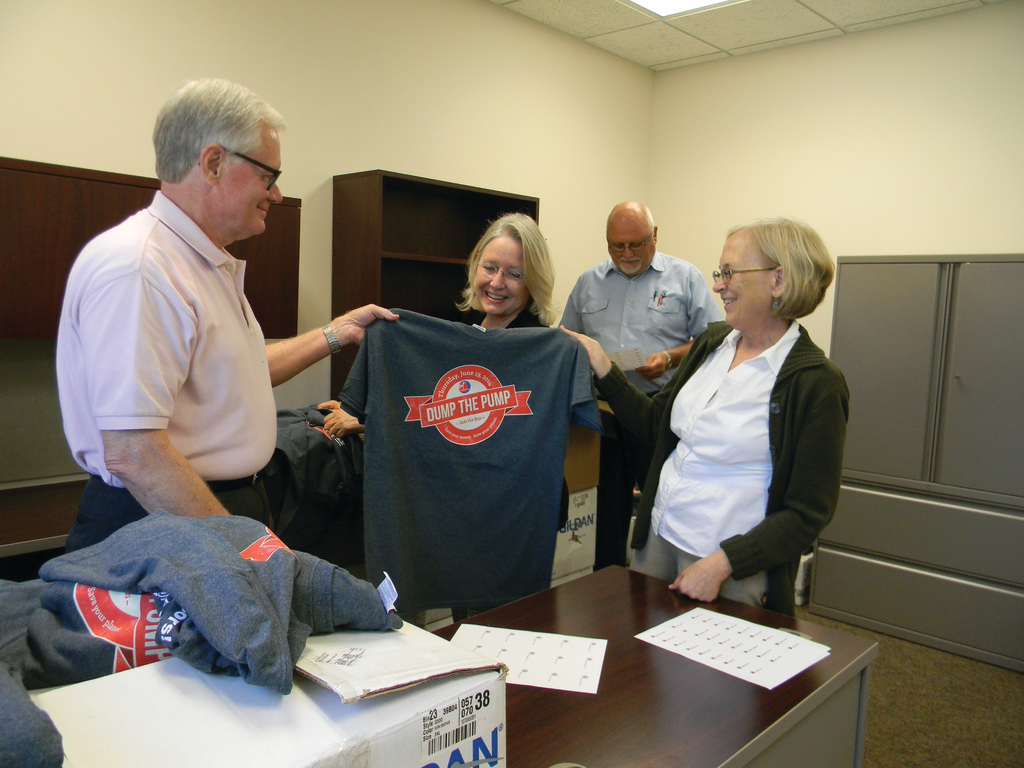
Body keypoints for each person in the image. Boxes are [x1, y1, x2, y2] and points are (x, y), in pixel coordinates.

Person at [56, 78, 396, 553]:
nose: (276, 195)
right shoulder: (141, 268)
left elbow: (240, 374)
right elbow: (136, 452)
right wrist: (247, 553)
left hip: (206, 509)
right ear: (214, 163)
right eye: (268, 176)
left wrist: (339, 332)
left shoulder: (202, 262)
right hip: (162, 519)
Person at [562, 218, 849, 616]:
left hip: (728, 563)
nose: (718, 285)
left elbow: (807, 513)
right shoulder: (713, 344)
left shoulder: (815, 382)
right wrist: (602, 366)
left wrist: (722, 564)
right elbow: (654, 423)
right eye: (720, 272)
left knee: (707, 677)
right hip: (661, 539)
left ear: (778, 280)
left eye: (729, 272)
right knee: (646, 663)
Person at [317, 212, 556, 438]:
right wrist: (359, 407)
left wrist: (367, 421)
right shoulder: (469, 322)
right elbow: (437, 397)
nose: (496, 282)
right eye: (490, 268)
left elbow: (477, 422)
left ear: (534, 281)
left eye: (515, 274)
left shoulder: (535, 347)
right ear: (475, 264)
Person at [560, 201, 721, 392]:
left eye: (636, 245)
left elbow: (714, 339)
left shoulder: (686, 277)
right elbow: (566, 341)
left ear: (655, 235)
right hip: (600, 400)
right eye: (618, 246)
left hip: (660, 400)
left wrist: (670, 358)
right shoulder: (588, 281)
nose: (627, 254)